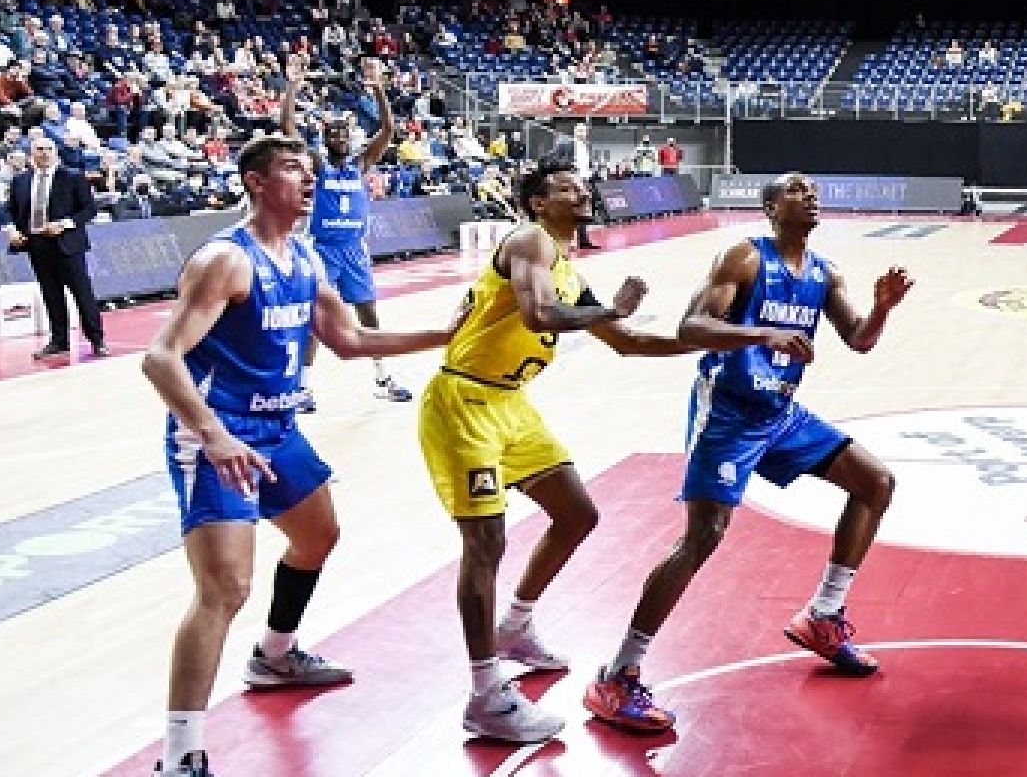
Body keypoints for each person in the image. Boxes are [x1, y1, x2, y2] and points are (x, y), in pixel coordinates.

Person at [141, 134, 464, 777]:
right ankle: (180, 756)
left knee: (318, 536)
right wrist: (214, 435)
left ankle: (275, 655)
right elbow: (160, 358)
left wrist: (446, 334)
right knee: (224, 589)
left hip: (277, 429)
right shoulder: (225, 260)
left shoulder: (306, 256)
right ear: (256, 181)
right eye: (293, 168)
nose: (309, 178)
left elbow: (348, 339)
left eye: (310, 169)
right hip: (219, 434)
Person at [587, 172, 910, 733]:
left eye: (812, 189)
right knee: (703, 537)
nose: (810, 195)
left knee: (874, 483)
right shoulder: (743, 258)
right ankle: (617, 675)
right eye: (795, 190)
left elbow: (859, 339)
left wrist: (882, 309)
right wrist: (762, 334)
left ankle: (823, 614)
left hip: (780, 412)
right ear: (770, 208)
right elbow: (692, 327)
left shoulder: (825, 273)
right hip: (728, 413)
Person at [420, 155, 692, 743]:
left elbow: (626, 343)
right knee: (485, 542)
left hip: (510, 404)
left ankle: (515, 625)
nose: (581, 191)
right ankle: (485, 694)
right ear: (538, 203)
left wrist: (707, 343)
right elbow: (538, 314)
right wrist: (612, 308)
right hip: (464, 401)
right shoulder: (529, 241)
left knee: (576, 514)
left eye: (580, 184)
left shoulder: (566, 268)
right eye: (565, 187)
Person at [279, 52, 408, 405]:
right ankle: (301, 386)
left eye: (344, 134)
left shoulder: (360, 164)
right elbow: (288, 128)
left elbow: (388, 130)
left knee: (368, 314)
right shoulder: (317, 165)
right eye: (334, 134)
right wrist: (292, 85)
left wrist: (378, 89)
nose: (340, 138)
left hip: (354, 250)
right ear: (325, 139)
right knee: (317, 316)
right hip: (323, 250)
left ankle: (383, 377)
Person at [4, 134, 106, 359]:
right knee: (51, 294)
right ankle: (59, 341)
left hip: (67, 244)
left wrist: (64, 224)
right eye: (39, 149)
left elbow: (89, 210)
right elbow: (10, 210)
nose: (44, 153)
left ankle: (97, 340)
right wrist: (11, 229)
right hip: (37, 244)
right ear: (32, 154)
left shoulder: (73, 177)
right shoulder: (21, 180)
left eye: (48, 149)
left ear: (56, 153)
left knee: (82, 293)